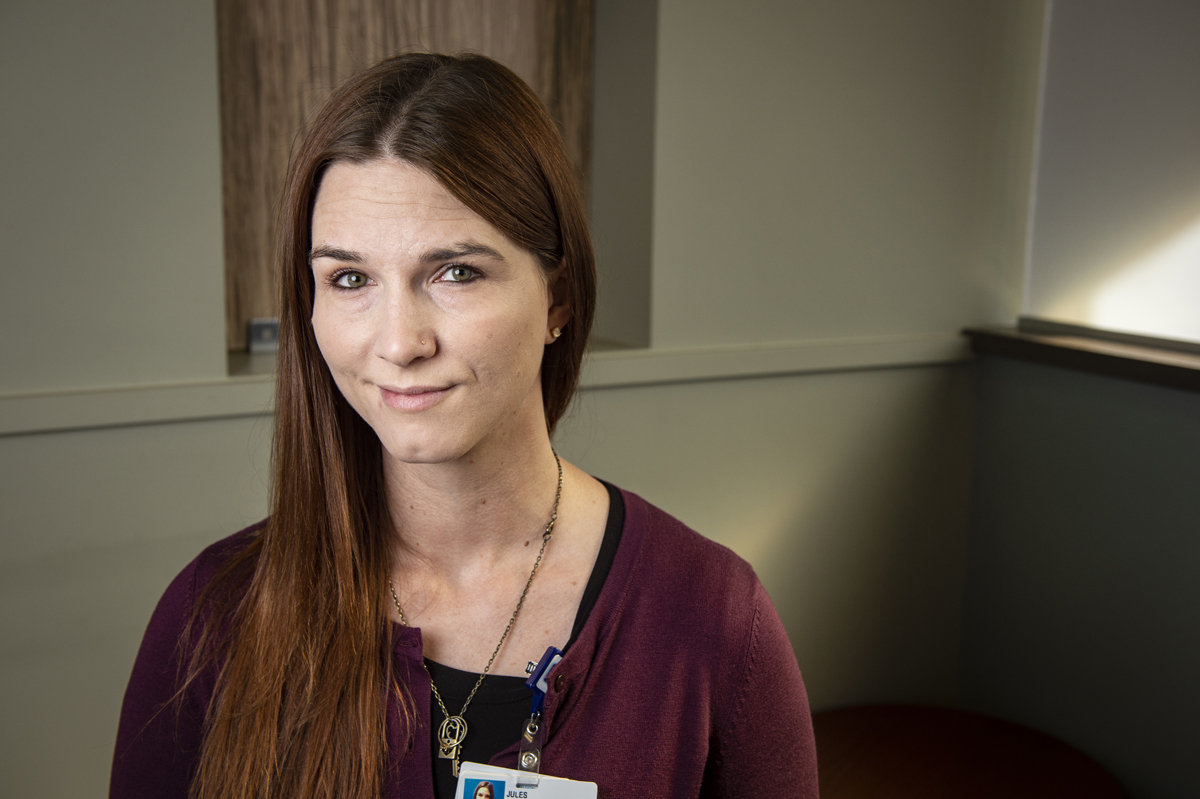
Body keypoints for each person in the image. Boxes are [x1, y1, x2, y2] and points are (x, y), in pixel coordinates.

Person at [109, 53, 818, 799]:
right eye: (350, 279)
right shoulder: (210, 616)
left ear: (559, 298)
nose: (399, 342)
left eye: (455, 272)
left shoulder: (712, 619)